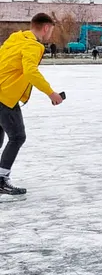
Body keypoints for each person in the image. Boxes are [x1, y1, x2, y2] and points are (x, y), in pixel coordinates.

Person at [0, 13, 64, 195]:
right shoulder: (33, 46)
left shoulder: (16, 38)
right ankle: (1, 179)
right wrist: (51, 93)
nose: (50, 35)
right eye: (51, 30)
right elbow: (30, 72)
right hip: (5, 97)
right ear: (46, 28)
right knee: (18, 137)